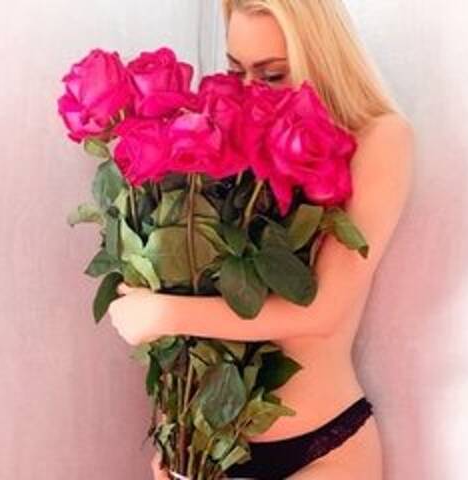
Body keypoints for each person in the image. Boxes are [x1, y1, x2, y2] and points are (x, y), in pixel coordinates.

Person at [108, 0, 415, 478]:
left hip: (324, 447)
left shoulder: (380, 138)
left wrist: (164, 314)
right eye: (236, 70)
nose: (251, 91)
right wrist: (174, 430)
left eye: (272, 75)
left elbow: (323, 310)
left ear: (319, 58)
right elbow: (197, 290)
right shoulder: (226, 140)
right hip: (210, 451)